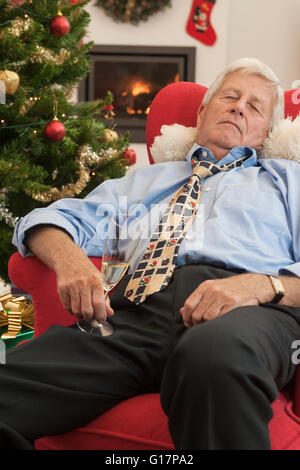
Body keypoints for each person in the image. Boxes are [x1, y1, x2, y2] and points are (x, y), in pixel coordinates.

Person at [2, 57, 300, 450]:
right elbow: (46, 220)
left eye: (255, 106)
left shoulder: (287, 182)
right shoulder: (143, 181)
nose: (239, 106)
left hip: (247, 309)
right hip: (136, 315)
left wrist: (263, 285)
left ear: (264, 134)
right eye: (230, 95)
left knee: (213, 359)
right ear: (202, 112)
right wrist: (70, 260)